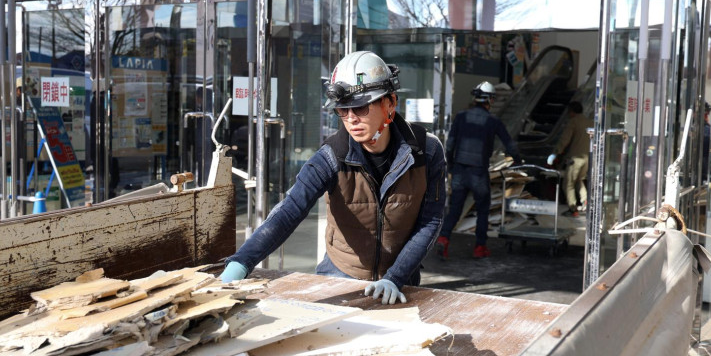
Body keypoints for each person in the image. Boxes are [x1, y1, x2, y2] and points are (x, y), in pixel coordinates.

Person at [218, 51, 447, 305]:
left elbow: (431, 220)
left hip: (400, 281)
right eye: (343, 110)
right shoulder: (331, 156)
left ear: (390, 103)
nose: (351, 119)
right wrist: (241, 262)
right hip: (340, 276)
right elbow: (290, 210)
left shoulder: (426, 151)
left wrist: (395, 277)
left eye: (360, 107)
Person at [436, 81, 521, 261]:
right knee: (483, 209)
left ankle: (444, 238)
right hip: (479, 172)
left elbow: (450, 145)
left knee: (455, 209)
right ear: (489, 99)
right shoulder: (493, 121)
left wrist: (450, 166)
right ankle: (480, 247)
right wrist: (518, 160)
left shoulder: (461, 116)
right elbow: (509, 143)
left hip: (459, 169)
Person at [547, 101, 593, 217]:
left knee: (568, 184)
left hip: (575, 159)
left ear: (571, 111)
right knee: (579, 180)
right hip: (588, 158)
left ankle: (573, 209)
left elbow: (564, 140)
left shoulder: (573, 122)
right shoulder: (590, 122)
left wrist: (556, 154)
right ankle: (586, 201)